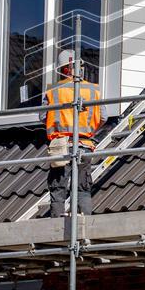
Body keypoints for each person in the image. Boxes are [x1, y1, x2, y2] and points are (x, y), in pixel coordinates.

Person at [44, 49, 103, 218]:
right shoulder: (93, 90)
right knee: (83, 187)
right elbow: (103, 117)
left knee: (58, 186)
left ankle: (57, 225)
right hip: (85, 145)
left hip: (61, 145)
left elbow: (42, 116)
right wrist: (88, 129)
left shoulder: (53, 90)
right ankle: (85, 223)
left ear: (63, 69)